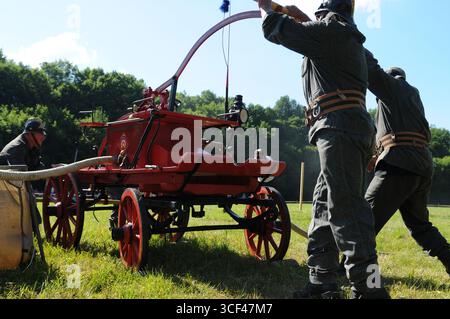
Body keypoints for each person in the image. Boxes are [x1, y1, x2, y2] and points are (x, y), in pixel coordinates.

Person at [257, 0, 389, 299]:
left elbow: (275, 28)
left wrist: (266, 5)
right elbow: (309, 33)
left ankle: (371, 291)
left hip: (339, 129)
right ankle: (322, 282)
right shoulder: (342, 35)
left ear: (327, 10)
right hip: (342, 129)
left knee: (347, 212)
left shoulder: (333, 30)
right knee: (322, 207)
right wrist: (298, 14)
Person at [364, 50, 450, 277]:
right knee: (420, 226)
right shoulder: (412, 97)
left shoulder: (392, 87)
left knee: (364, 219)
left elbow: (371, 70)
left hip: (399, 164)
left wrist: (348, 37)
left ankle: (353, 271)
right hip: (421, 165)